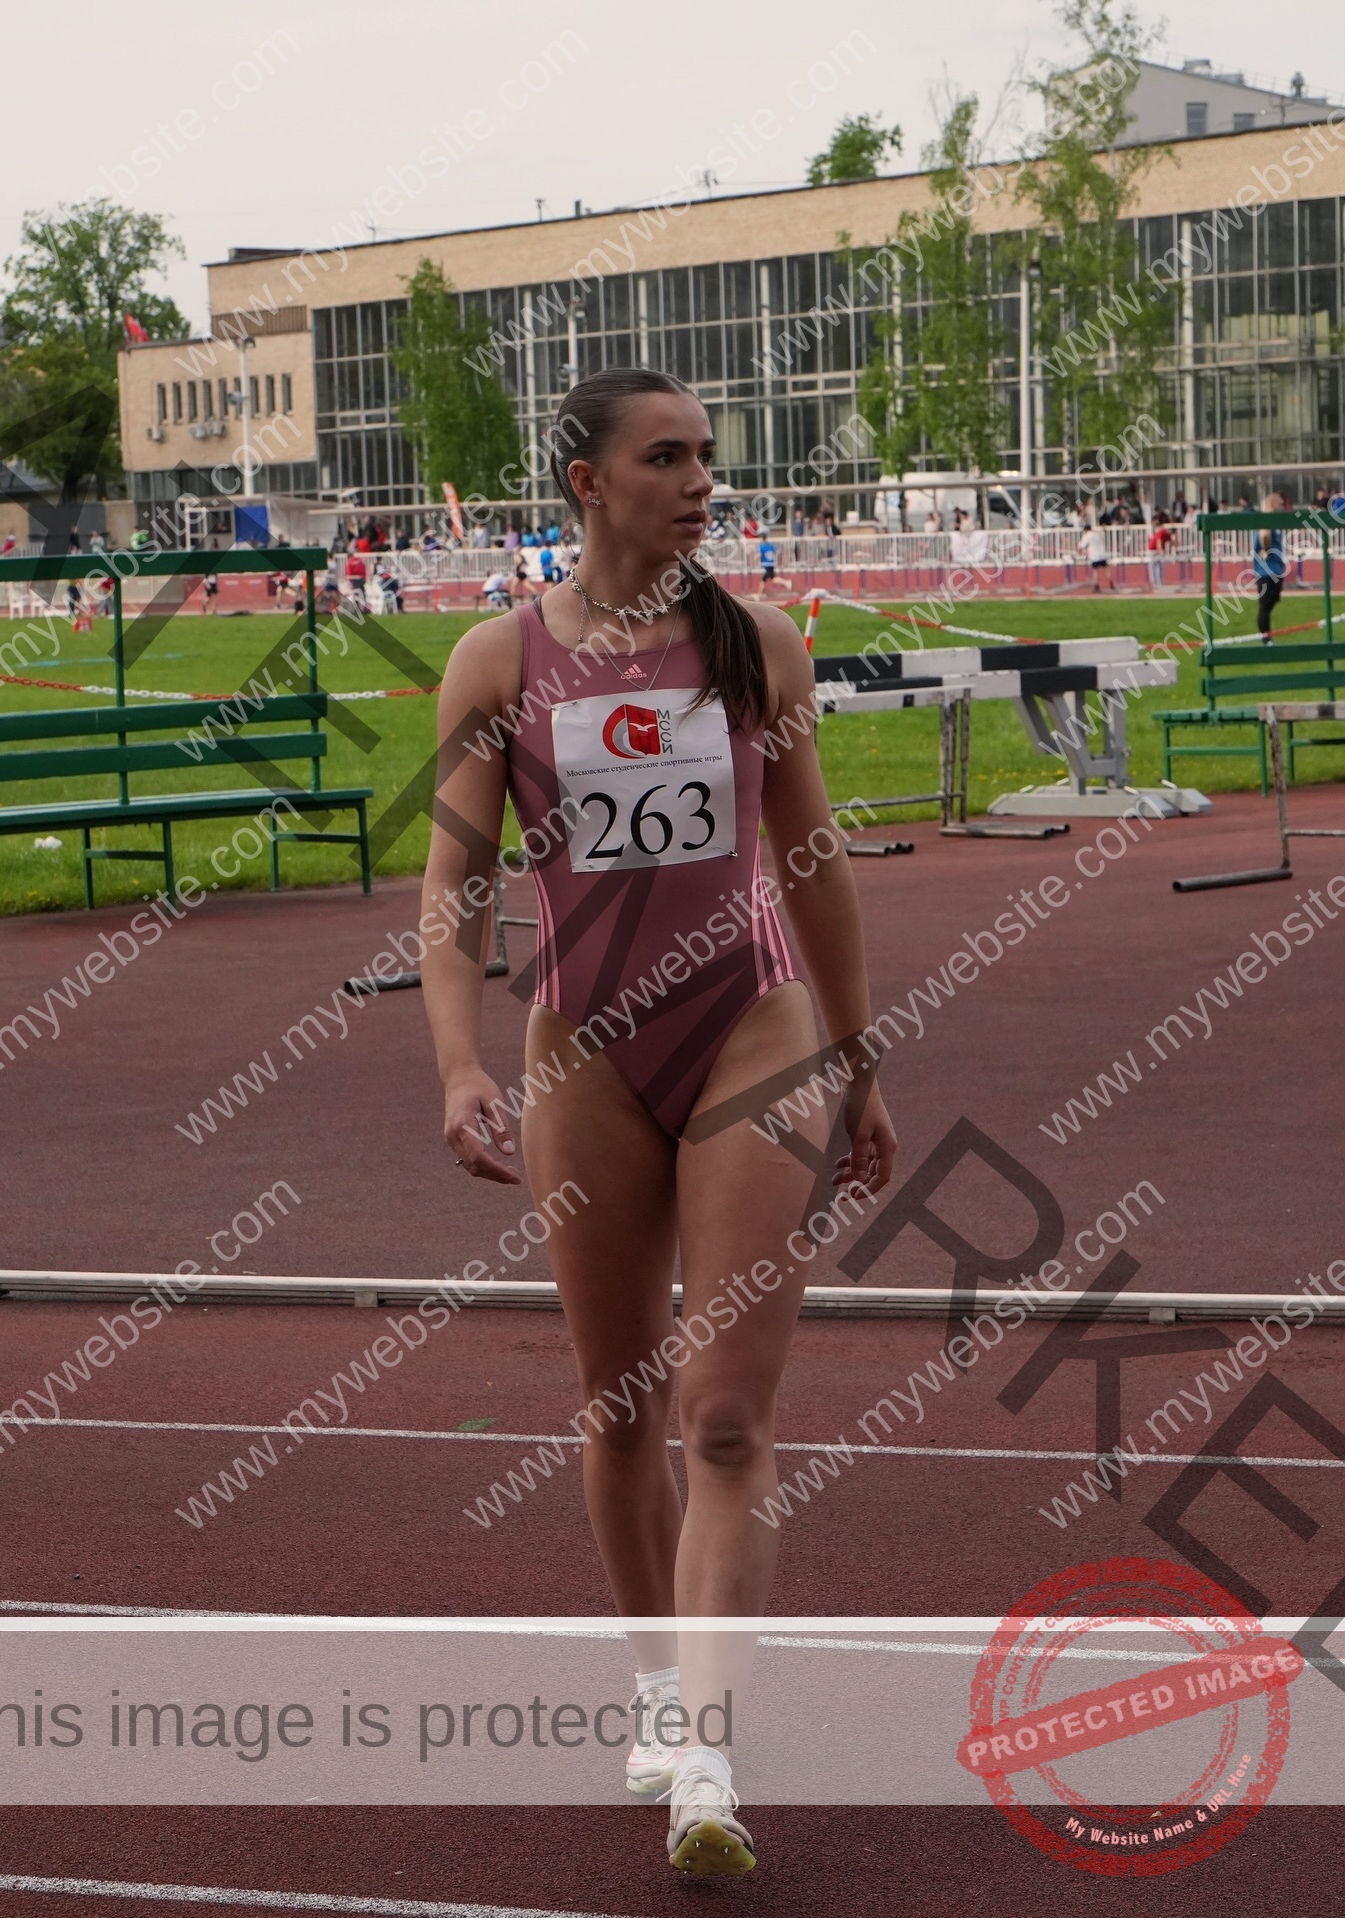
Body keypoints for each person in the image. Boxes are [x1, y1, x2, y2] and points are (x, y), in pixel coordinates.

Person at [419, 368, 896, 1878]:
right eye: (666, 456)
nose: (700, 480)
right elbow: (452, 895)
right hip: (587, 1059)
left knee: (731, 1415)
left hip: (752, 1037)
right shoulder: (497, 664)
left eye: (708, 457)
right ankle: (649, 1682)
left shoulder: (756, 644)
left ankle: (707, 1752)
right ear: (586, 481)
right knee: (619, 1402)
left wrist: (860, 1058)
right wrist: (457, 1063)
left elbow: (812, 860)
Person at [1254, 491, 1288, 641]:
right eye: (1280, 504)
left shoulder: (1273, 521)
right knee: (1265, 606)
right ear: (1273, 505)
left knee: (1269, 603)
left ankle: (1267, 637)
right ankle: (1266, 640)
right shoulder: (1266, 519)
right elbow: (1264, 535)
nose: (1282, 508)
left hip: (1274, 571)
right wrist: (1267, 549)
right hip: (1267, 572)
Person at [1080, 519, 1113, 590]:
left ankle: (1096, 585)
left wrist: (1080, 550)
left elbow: (1082, 545)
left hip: (1095, 556)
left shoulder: (1087, 536)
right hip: (1102, 554)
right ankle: (1111, 582)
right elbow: (1102, 535)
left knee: (1096, 571)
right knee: (1106, 569)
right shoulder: (1096, 534)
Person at [1147, 511, 1175, 591]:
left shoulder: (1166, 534)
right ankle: (1155, 583)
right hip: (1153, 550)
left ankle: (1159, 583)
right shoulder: (1162, 532)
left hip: (1157, 550)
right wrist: (1161, 551)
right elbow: (1158, 542)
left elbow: (1171, 542)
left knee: (1159, 566)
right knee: (1154, 566)